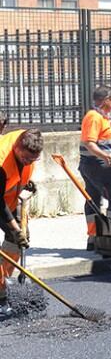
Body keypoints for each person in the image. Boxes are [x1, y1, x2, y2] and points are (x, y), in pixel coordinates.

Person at [0, 129, 43, 319]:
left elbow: (16, 178)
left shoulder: (27, 146)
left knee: (18, 240)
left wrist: (26, 186)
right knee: (17, 233)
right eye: (26, 159)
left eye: (32, 160)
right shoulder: (1, 162)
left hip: (8, 200)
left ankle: (4, 279)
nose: (29, 163)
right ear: (17, 149)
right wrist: (16, 228)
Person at [79, 85, 111, 250]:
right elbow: (89, 143)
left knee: (93, 200)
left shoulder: (101, 117)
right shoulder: (94, 117)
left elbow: (101, 144)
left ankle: (94, 238)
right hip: (97, 166)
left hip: (92, 165)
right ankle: (108, 237)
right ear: (106, 100)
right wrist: (105, 157)